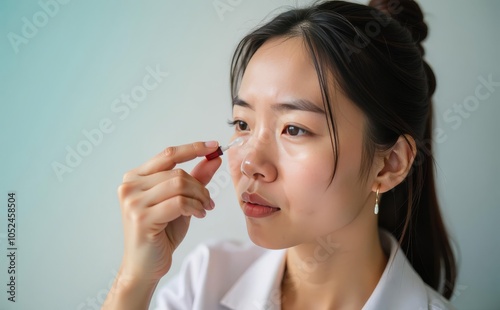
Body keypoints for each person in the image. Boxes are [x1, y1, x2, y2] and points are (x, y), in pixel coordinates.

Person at [103, 0, 457, 309]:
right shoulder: (206, 280)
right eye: (243, 124)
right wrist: (134, 279)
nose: (248, 163)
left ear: (390, 164)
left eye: (294, 129)